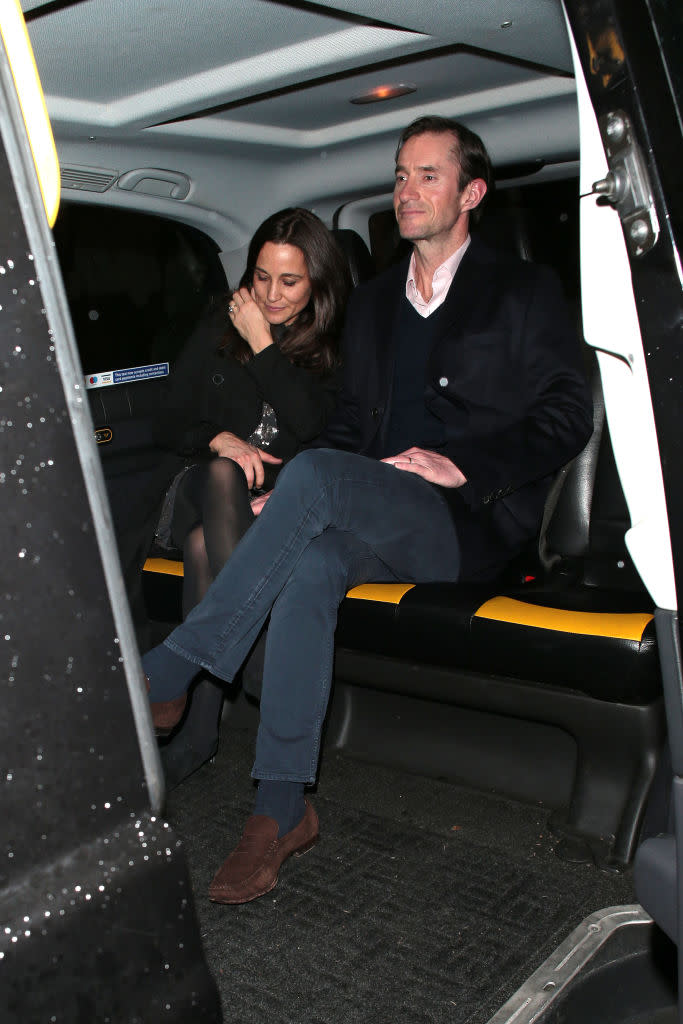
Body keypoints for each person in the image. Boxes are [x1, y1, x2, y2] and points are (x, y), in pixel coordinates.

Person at [144, 115, 593, 905]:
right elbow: (350, 428)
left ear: (471, 193)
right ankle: (281, 808)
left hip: (460, 523)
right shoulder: (380, 300)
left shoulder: (524, 290)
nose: (406, 190)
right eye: (399, 174)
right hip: (372, 510)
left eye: (427, 175)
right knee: (311, 560)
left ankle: (169, 669)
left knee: (315, 475)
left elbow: (565, 415)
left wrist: (463, 465)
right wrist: (290, 483)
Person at [151, 208, 350, 786]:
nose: (270, 293)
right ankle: (259, 658)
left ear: (317, 283)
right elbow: (166, 421)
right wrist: (218, 439)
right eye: (261, 277)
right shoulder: (218, 321)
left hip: (276, 507)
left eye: (289, 281)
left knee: (202, 549)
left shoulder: (329, 346)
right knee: (220, 479)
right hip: (196, 484)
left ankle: (197, 733)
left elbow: (311, 425)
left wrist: (264, 343)